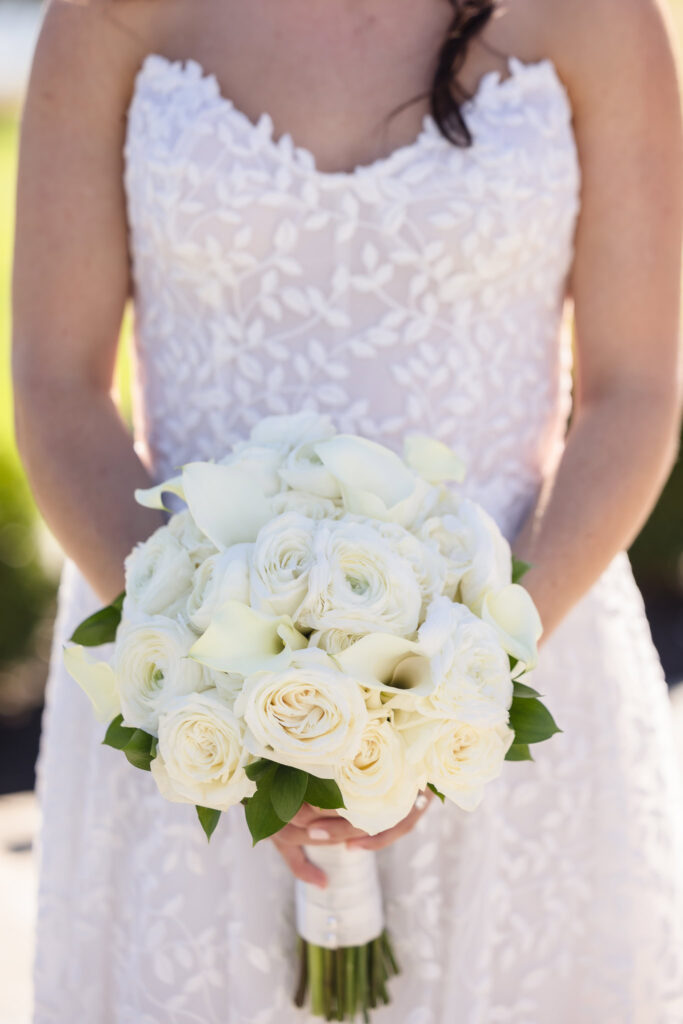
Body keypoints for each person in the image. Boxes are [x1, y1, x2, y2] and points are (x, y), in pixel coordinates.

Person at [11, 0, 683, 1020]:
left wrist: (461, 691)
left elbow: (632, 393)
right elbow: (58, 391)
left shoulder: (594, 16)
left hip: (523, 669)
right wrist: (216, 699)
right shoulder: (111, 13)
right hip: (186, 714)